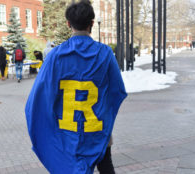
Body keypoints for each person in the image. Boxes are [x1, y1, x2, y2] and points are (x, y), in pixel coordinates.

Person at [25, 1, 127, 174]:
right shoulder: (105, 53)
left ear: (68, 24)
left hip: (67, 131)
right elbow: (117, 91)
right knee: (105, 165)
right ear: (92, 24)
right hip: (97, 128)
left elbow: (40, 97)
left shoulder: (55, 55)